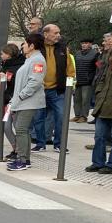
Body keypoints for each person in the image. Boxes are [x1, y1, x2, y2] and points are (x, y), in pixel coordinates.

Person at [32, 23, 76, 152]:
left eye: (59, 33)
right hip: (40, 90)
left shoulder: (63, 48)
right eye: (55, 33)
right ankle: (40, 143)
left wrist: (70, 83)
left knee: (61, 116)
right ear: (46, 34)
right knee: (38, 118)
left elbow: (70, 69)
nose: (58, 35)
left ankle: (59, 144)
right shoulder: (37, 47)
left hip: (58, 90)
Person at [7, 33, 47, 171]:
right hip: (22, 101)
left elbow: (35, 82)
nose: (22, 46)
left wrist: (22, 96)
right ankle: (25, 158)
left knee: (21, 129)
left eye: (24, 43)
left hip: (28, 101)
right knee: (23, 130)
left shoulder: (38, 61)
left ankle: (22, 160)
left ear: (32, 46)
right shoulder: (29, 59)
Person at [86, 39, 112, 174]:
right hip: (103, 102)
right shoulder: (109, 56)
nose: (110, 41)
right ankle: (97, 162)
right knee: (99, 135)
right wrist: (99, 91)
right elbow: (103, 77)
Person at [0, 43, 24, 160]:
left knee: (16, 127)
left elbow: (15, 85)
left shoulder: (18, 67)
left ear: (8, 55)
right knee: (6, 127)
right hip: (7, 101)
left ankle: (20, 150)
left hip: (13, 101)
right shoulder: (5, 65)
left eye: (2, 54)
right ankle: (16, 148)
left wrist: (6, 79)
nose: (0, 56)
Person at [73, 37, 98, 122]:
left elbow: (99, 67)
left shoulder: (95, 54)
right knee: (76, 99)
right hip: (78, 80)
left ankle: (84, 116)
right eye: (82, 43)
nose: (84, 44)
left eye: (86, 43)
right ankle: (77, 115)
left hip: (88, 81)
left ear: (90, 44)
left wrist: (94, 78)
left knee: (85, 100)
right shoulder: (77, 53)